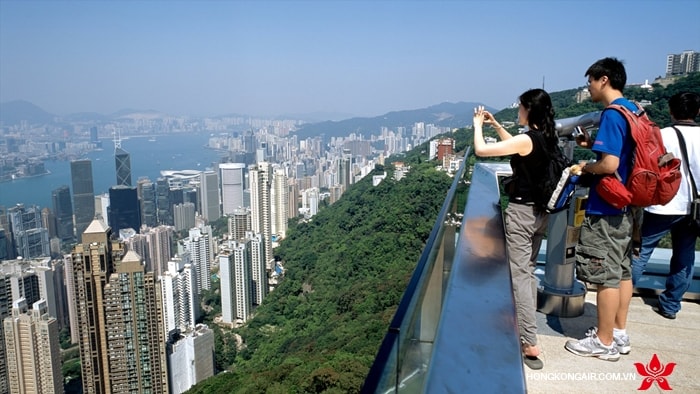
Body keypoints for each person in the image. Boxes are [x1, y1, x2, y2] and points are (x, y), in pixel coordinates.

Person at [472, 88, 559, 370]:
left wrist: (477, 127)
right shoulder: (545, 137)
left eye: (520, 107)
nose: (517, 110)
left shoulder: (528, 139)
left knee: (520, 276)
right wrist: (496, 125)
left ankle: (529, 341)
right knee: (527, 270)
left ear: (528, 110)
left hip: (522, 214)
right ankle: (521, 321)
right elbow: (516, 146)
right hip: (541, 214)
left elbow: (481, 151)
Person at [564, 57, 636, 362]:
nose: (589, 87)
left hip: (607, 205)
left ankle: (603, 343)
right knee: (621, 270)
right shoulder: (633, 110)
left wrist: (585, 167)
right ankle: (618, 332)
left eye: (590, 81)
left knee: (604, 275)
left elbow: (609, 164)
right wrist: (590, 143)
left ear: (603, 79)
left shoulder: (611, 114)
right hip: (627, 201)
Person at [631, 92, 700, 319]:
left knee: (640, 252)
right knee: (684, 256)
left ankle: (620, 297)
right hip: (693, 209)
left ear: (671, 110)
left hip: (662, 203)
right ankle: (671, 306)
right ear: (697, 112)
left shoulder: (661, 136)